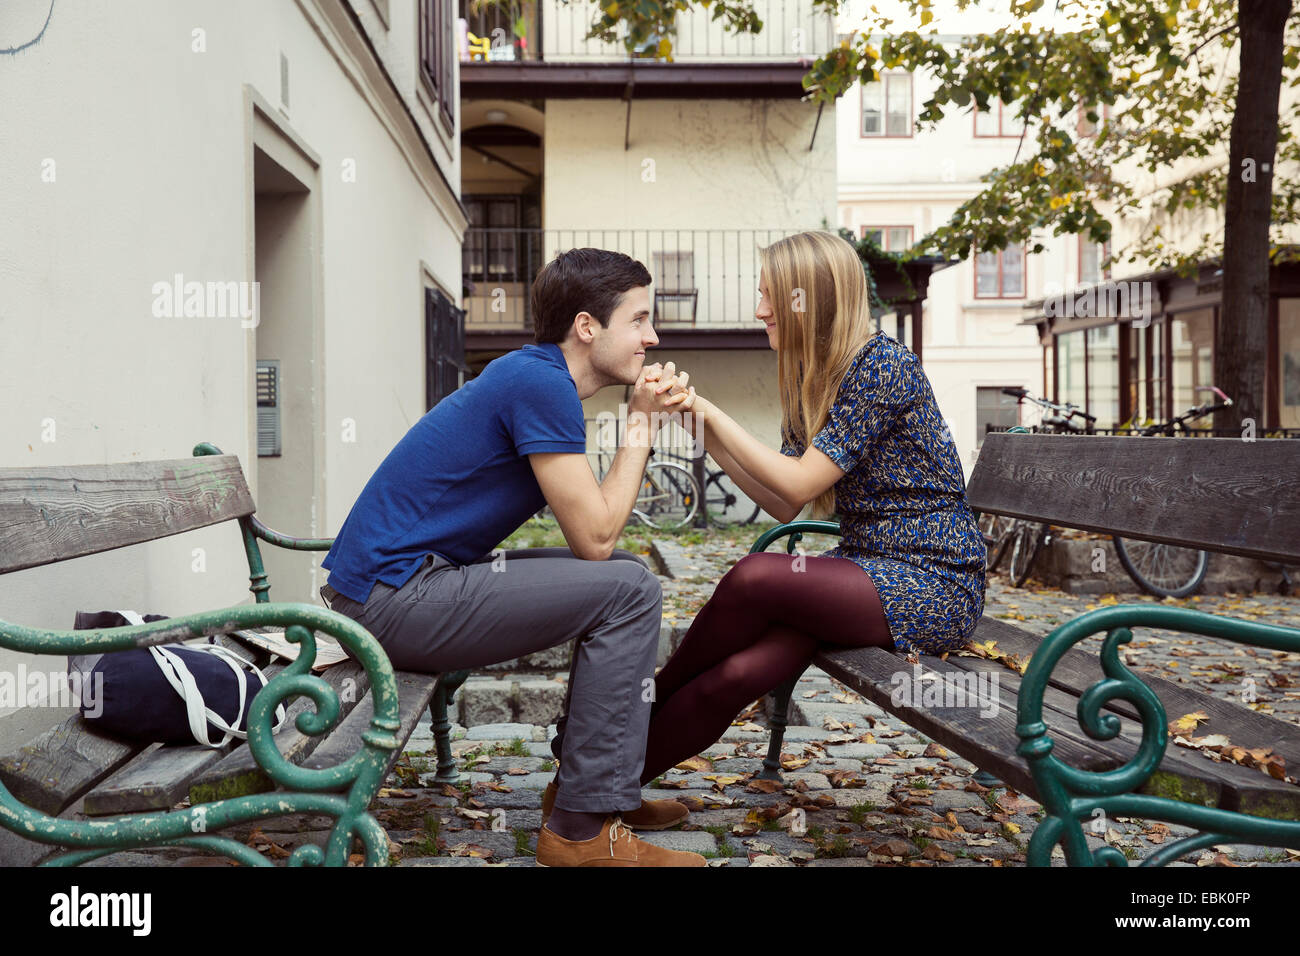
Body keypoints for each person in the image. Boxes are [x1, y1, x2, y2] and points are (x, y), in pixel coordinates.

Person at [319, 248, 706, 867]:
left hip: (401, 589)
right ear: (587, 327)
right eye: (637, 320)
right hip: (391, 601)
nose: (651, 336)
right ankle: (580, 831)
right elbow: (595, 536)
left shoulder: (537, 378)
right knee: (628, 587)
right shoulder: (538, 383)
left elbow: (599, 542)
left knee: (629, 575)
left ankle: (586, 791)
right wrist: (641, 424)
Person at [637, 230, 987, 784]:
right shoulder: (812, 381)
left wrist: (705, 406)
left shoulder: (882, 367)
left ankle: (642, 707)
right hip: (865, 573)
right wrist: (694, 422)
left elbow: (798, 484)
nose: (759, 310)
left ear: (811, 298)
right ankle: (600, 792)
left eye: (770, 296)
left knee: (756, 577)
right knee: (742, 673)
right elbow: (780, 503)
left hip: (933, 581)